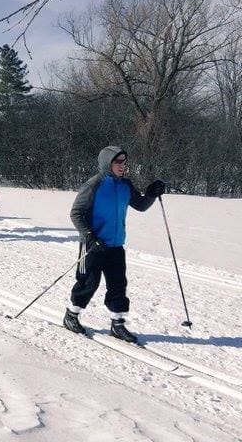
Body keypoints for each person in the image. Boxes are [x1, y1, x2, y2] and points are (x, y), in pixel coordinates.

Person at [63, 146, 165, 343]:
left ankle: (117, 325)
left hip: (116, 244)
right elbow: (76, 213)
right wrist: (89, 235)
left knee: (118, 285)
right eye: (118, 161)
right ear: (107, 163)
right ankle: (71, 315)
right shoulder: (94, 185)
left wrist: (151, 194)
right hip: (93, 245)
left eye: (124, 161)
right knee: (88, 282)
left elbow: (141, 205)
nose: (123, 165)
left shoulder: (125, 185)